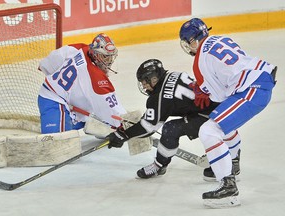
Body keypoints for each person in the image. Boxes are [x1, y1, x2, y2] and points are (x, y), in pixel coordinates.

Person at [179, 18, 277, 208]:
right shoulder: (220, 38)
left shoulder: (199, 63)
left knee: (209, 130)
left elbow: (220, 96)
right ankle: (232, 163)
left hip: (252, 90)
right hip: (260, 79)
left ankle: (228, 187)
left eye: (186, 43)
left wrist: (202, 89)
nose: (188, 48)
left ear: (193, 41)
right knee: (221, 122)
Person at [106, 59, 227, 178]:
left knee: (170, 129)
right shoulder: (174, 74)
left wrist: (124, 135)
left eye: (145, 82)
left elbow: (148, 127)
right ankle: (230, 158)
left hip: (210, 116)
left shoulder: (159, 97)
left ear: (154, 79)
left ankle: (159, 166)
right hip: (222, 106)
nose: (144, 86)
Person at [38, 33, 126, 134]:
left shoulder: (79, 48)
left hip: (70, 101)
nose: (109, 62)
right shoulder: (96, 77)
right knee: (56, 140)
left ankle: (78, 118)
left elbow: (47, 63)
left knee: (98, 112)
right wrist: (124, 125)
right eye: (105, 57)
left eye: (110, 57)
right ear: (95, 54)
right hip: (53, 98)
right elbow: (111, 107)